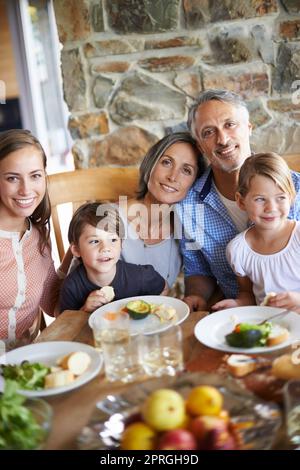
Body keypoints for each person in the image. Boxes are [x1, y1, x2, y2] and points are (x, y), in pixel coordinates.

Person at [176, 89, 300, 312]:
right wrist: (196, 296)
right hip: (241, 316)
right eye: (208, 132)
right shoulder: (188, 206)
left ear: (249, 128)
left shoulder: (295, 187)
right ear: (199, 145)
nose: (222, 139)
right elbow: (198, 270)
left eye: (230, 124)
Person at [212, 153, 300, 313]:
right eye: (260, 199)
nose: (271, 208)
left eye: (280, 197)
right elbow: (247, 293)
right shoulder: (238, 250)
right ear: (241, 201)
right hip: (270, 328)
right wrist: (237, 304)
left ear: (291, 197)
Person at [119, 132, 206, 292]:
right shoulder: (105, 219)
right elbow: (66, 297)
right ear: (151, 163)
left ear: (194, 183)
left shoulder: (186, 230)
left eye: (186, 170)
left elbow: (205, 273)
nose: (173, 177)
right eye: (166, 162)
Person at [0, 129, 61, 348]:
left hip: (27, 362)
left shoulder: (37, 235)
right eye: (12, 178)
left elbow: (53, 299)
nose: (26, 190)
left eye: (35, 175)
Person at [59, 203, 167, 313]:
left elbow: (164, 288)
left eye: (113, 240)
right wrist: (84, 310)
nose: (105, 248)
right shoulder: (71, 287)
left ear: (121, 244)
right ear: (77, 250)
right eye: (95, 241)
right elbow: (65, 326)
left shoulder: (140, 277)